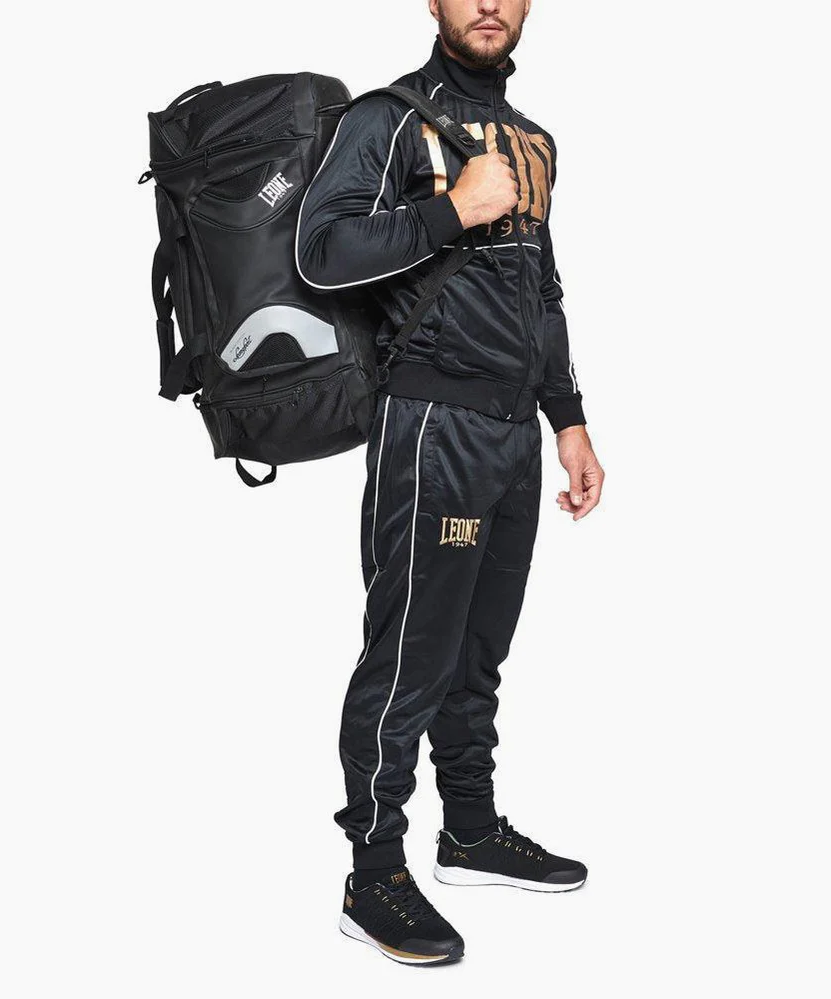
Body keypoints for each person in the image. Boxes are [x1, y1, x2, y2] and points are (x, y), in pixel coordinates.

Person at [297, 0, 605, 966]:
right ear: (431, 1)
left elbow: (540, 288)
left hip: (514, 432)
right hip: (431, 422)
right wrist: (451, 210)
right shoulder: (385, 118)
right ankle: (372, 873)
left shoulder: (534, 141)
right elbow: (318, 252)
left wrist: (568, 419)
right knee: (410, 655)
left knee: (478, 650)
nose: (488, 5)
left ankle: (468, 830)